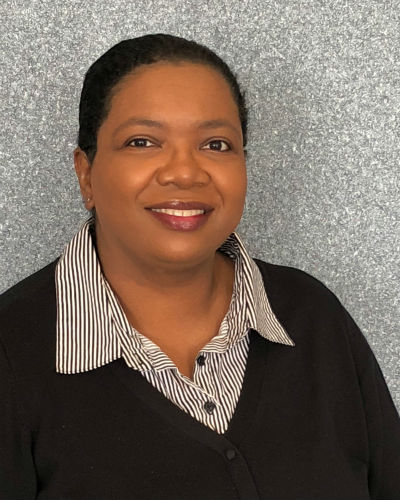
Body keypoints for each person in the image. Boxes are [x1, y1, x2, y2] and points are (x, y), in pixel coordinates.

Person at [0, 33, 399, 500]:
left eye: (216, 144)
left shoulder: (312, 315)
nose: (185, 173)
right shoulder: (12, 351)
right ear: (86, 173)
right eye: (142, 141)